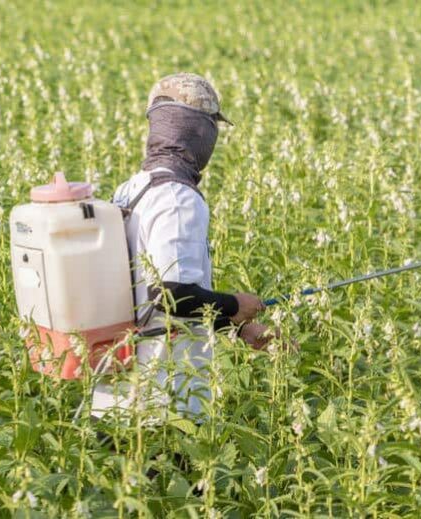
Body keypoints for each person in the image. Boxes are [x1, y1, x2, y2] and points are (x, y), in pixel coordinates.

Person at [92, 73, 274, 420]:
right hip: (161, 402)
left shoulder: (130, 190)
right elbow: (170, 293)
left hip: (115, 394)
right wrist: (236, 302)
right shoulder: (178, 198)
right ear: (200, 132)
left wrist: (237, 326)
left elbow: (147, 295)